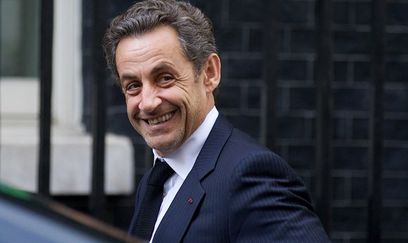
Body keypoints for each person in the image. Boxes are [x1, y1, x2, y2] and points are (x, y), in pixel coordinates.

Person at [103, 0, 330, 242]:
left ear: (210, 73)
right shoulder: (155, 181)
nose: (147, 103)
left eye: (165, 78)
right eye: (133, 86)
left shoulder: (251, 177)